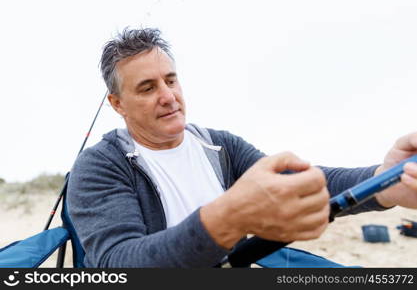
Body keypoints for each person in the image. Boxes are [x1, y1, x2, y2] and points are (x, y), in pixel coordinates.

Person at [67, 27, 417, 268]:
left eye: (171, 80)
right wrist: (228, 217)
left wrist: (386, 181)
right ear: (117, 104)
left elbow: (301, 184)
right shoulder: (100, 165)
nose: (168, 96)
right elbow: (119, 264)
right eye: (147, 88)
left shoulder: (220, 146)